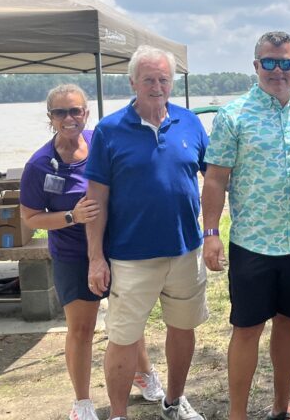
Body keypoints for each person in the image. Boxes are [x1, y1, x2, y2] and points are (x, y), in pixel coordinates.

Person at [201, 31, 290, 420]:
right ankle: (237, 414)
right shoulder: (233, 115)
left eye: (285, 62)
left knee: (289, 326)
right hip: (252, 243)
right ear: (256, 66)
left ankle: (281, 406)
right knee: (247, 329)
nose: (277, 70)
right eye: (269, 62)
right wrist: (211, 233)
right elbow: (215, 180)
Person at [19, 84, 165, 420]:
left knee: (129, 322)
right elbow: (30, 218)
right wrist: (72, 216)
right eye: (60, 112)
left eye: (75, 110)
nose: (69, 118)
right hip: (73, 255)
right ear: (50, 118)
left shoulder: (101, 142)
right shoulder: (39, 165)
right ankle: (82, 402)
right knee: (81, 330)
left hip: (118, 248)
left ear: (86, 112)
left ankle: (143, 373)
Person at [85, 46, 210, 420]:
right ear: (132, 83)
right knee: (123, 337)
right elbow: (96, 200)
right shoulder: (109, 130)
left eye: (163, 79)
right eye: (148, 80)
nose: (157, 87)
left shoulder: (190, 123)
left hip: (186, 251)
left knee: (183, 328)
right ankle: (119, 414)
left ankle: (174, 401)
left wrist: (214, 232)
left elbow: (216, 179)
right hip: (131, 256)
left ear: (171, 82)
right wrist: (95, 257)